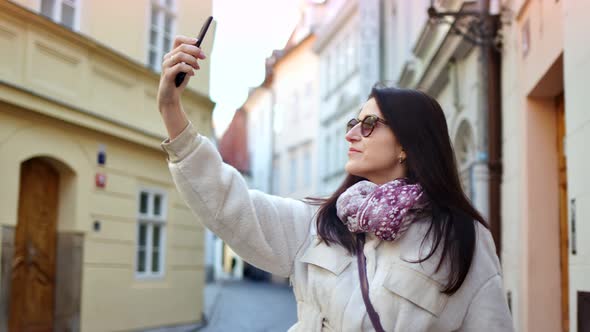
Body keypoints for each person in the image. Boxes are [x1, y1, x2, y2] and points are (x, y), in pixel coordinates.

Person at [157, 35, 514, 332]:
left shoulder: (461, 236)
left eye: (369, 123)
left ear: (407, 143)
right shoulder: (320, 223)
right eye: (352, 124)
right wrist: (172, 111)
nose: (353, 134)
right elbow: (227, 203)